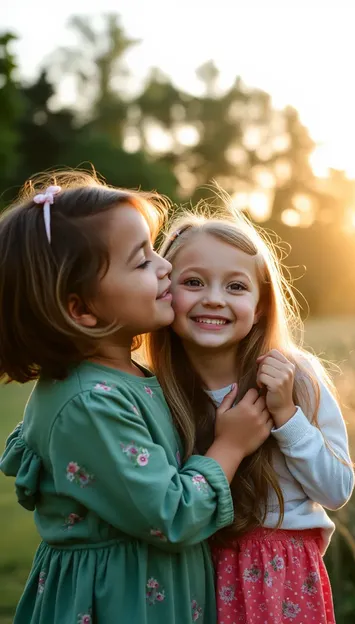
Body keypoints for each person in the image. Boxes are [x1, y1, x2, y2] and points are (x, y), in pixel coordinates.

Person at [0, 172, 273, 624]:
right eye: (142, 261)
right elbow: (171, 514)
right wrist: (231, 445)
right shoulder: (88, 403)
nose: (165, 266)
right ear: (82, 310)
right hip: (119, 604)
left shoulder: (129, 376)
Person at [145, 207, 355, 624]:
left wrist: (287, 416)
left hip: (283, 577)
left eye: (236, 286)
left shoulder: (295, 377)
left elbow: (336, 490)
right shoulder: (158, 392)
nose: (214, 298)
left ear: (260, 307)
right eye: (193, 282)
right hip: (192, 573)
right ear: (166, 291)